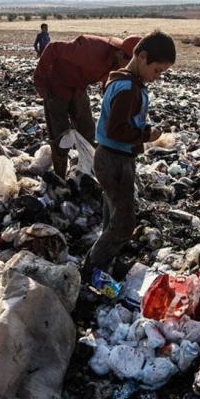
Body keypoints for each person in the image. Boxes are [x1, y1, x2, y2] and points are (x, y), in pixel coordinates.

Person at [81, 30, 176, 282]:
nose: (156, 77)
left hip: (112, 156)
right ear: (142, 56)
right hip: (115, 160)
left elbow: (123, 123)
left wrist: (143, 130)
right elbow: (116, 129)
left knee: (111, 216)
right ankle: (91, 268)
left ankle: (104, 265)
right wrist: (146, 135)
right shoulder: (127, 88)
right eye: (157, 70)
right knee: (124, 224)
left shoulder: (126, 82)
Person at [32, 34, 142, 178]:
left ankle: (90, 171)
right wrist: (40, 81)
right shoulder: (90, 49)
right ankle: (60, 177)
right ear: (120, 54)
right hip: (57, 84)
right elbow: (53, 48)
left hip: (79, 88)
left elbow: (109, 83)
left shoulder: (118, 62)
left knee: (88, 129)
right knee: (60, 135)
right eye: (130, 63)